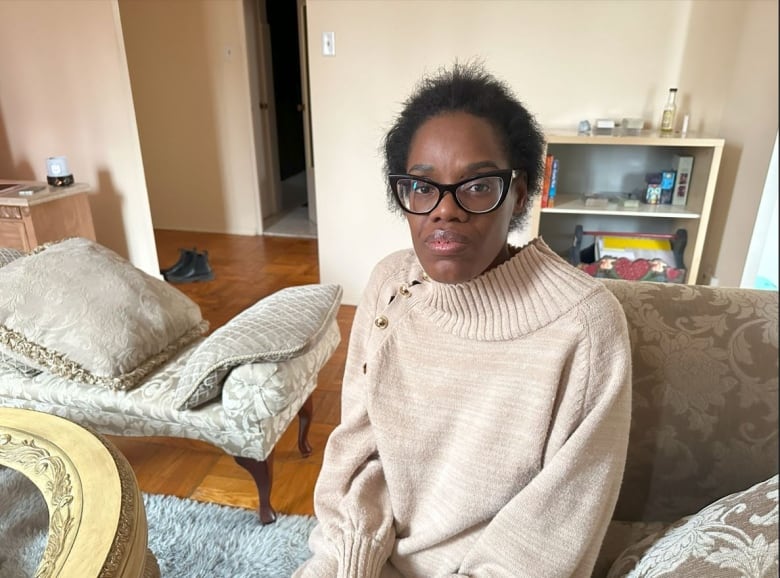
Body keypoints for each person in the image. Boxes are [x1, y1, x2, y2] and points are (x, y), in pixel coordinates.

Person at [294, 62, 632, 578]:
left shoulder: (584, 329)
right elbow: (358, 458)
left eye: (477, 186)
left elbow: (551, 534)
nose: (444, 211)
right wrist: (345, 566)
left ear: (518, 193)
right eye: (423, 187)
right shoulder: (391, 287)